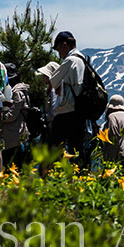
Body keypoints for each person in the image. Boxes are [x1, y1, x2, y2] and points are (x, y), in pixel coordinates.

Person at [47, 31, 90, 168]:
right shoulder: (84, 59)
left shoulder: (70, 60)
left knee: (54, 148)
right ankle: (80, 176)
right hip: (81, 111)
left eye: (59, 49)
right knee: (77, 148)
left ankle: (53, 176)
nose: (59, 53)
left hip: (67, 112)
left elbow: (52, 81)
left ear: (64, 45)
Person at [0, 63, 30, 168]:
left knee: (13, 164)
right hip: (18, 133)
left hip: (14, 134)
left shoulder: (17, 93)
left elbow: (12, 115)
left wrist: (0, 117)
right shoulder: (23, 91)